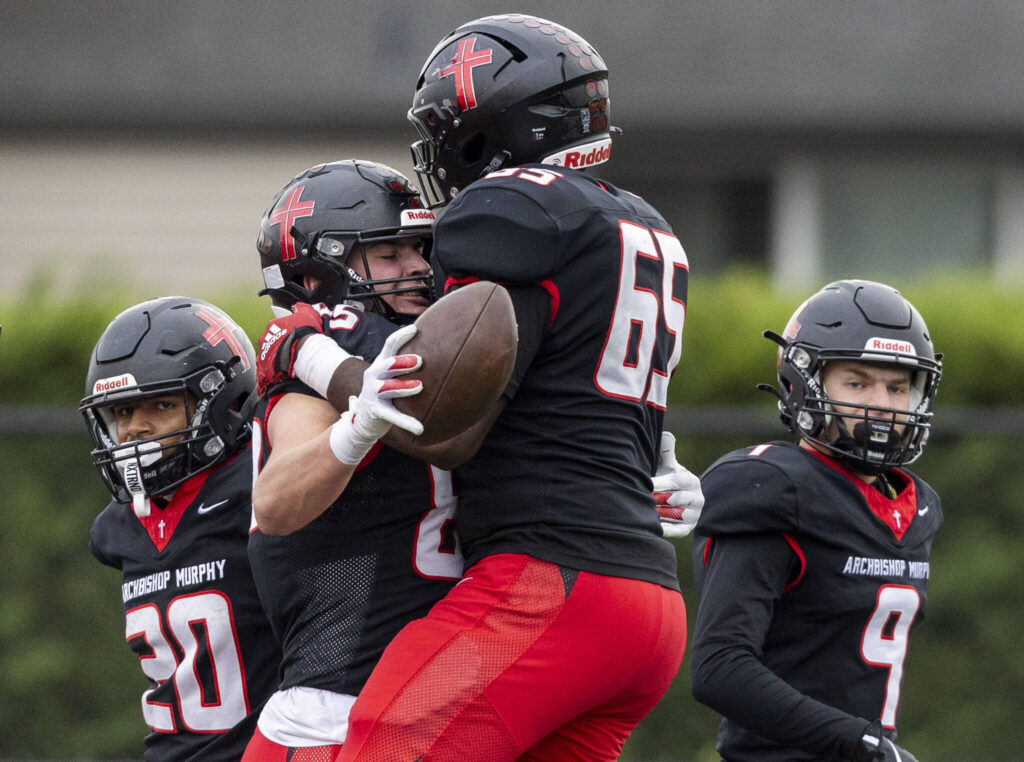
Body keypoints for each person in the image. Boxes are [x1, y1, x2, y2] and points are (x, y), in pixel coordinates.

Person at [323, 14, 693, 761]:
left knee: (382, 738)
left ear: (492, 130)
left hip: (551, 580)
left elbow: (436, 415)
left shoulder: (517, 207)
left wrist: (313, 359)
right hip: (647, 601)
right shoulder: (643, 223)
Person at [241, 159, 467, 761]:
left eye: (420, 248)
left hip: (441, 691)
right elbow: (277, 500)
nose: (419, 266)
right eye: (389, 253)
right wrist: (359, 425)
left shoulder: (443, 349)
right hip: (336, 714)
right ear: (318, 276)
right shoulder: (335, 350)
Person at [688, 279, 942, 762]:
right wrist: (861, 743)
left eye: (898, 386)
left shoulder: (915, 507)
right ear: (804, 383)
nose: (884, 405)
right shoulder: (774, 487)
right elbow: (719, 667)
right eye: (858, 382)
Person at [81, 296, 281, 761]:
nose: (133, 429)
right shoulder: (118, 529)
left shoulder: (261, 487)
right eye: (123, 413)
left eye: (161, 405)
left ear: (223, 401)